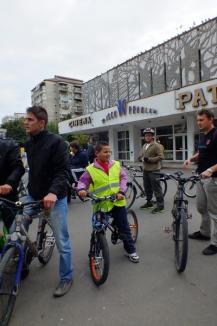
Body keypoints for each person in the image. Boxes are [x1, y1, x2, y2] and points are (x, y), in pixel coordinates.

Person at [24, 106, 73, 297]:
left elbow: (63, 172)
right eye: (26, 119)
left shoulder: (57, 142)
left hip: (55, 199)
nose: (25, 122)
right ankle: (20, 262)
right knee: (14, 231)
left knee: (62, 241)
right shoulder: (28, 143)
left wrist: (52, 192)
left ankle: (67, 277)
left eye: (29, 119)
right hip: (33, 197)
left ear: (41, 123)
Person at [77, 141, 139, 263]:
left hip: (117, 201)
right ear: (97, 153)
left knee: (124, 228)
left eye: (109, 151)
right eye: (105, 152)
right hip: (100, 204)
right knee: (98, 229)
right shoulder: (90, 169)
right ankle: (94, 253)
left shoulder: (116, 164)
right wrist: (81, 189)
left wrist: (122, 191)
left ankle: (131, 250)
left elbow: (123, 177)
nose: (108, 154)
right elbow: (83, 181)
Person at [183, 108, 217, 255]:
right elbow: (202, 151)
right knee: (201, 207)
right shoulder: (203, 136)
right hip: (200, 176)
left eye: (201, 120)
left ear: (211, 119)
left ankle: (215, 243)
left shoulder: (216, 134)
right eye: (197, 120)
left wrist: (211, 170)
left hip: (213, 178)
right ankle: (205, 233)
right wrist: (192, 158)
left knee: (214, 212)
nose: (198, 122)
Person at [0, 137, 25, 229]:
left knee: (13, 233)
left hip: (6, 196)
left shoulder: (9, 144)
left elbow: (18, 167)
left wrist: (9, 183)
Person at [139, 128, 164, 214]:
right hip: (145, 170)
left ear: (152, 136)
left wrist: (149, 159)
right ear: (144, 137)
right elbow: (143, 155)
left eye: (149, 135)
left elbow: (161, 157)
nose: (147, 137)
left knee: (156, 188)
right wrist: (140, 158)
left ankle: (160, 206)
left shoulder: (156, 145)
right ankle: (149, 203)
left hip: (154, 170)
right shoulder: (144, 145)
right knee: (147, 188)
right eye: (146, 135)